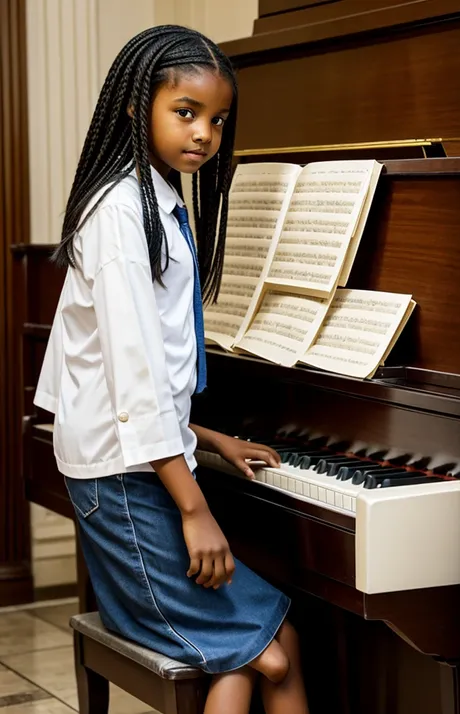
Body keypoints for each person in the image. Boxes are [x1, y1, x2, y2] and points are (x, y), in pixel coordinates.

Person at [34, 25, 310, 714]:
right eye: (185, 112)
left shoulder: (153, 198)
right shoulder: (122, 215)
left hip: (136, 470)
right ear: (136, 106)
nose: (204, 135)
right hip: (123, 489)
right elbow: (132, 381)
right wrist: (195, 507)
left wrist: (206, 438)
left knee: (255, 658)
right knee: (272, 649)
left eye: (217, 120)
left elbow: (147, 371)